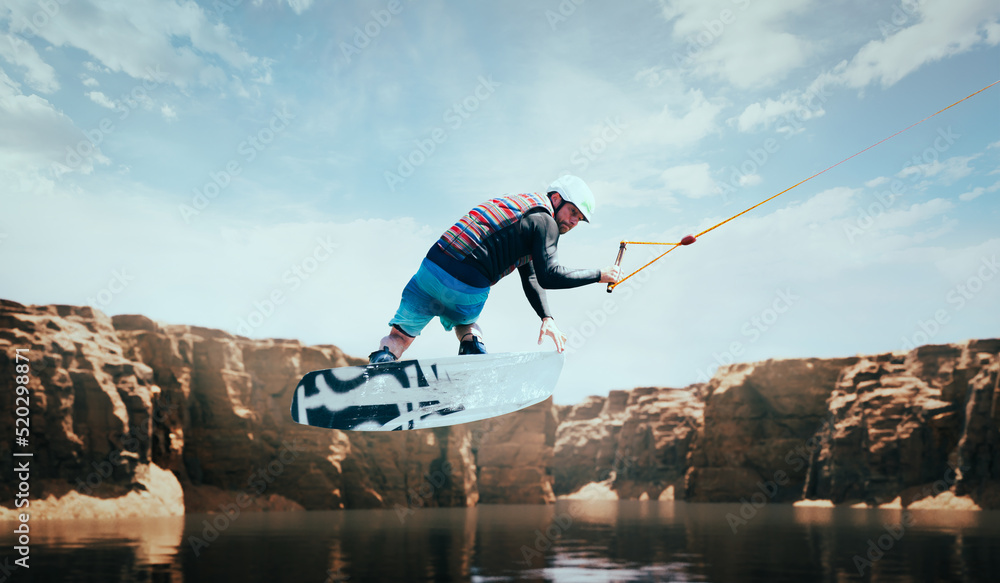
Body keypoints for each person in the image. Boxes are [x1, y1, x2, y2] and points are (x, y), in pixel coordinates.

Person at [369, 175, 622, 364]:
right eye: (572, 212)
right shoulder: (546, 223)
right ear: (556, 199)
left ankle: (382, 360)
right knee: (467, 327)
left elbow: (531, 274)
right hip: (466, 287)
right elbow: (548, 275)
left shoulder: (516, 205)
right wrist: (601, 275)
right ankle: (472, 359)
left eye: (579, 218)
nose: (573, 221)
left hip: (428, 272)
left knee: (399, 337)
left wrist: (547, 318)